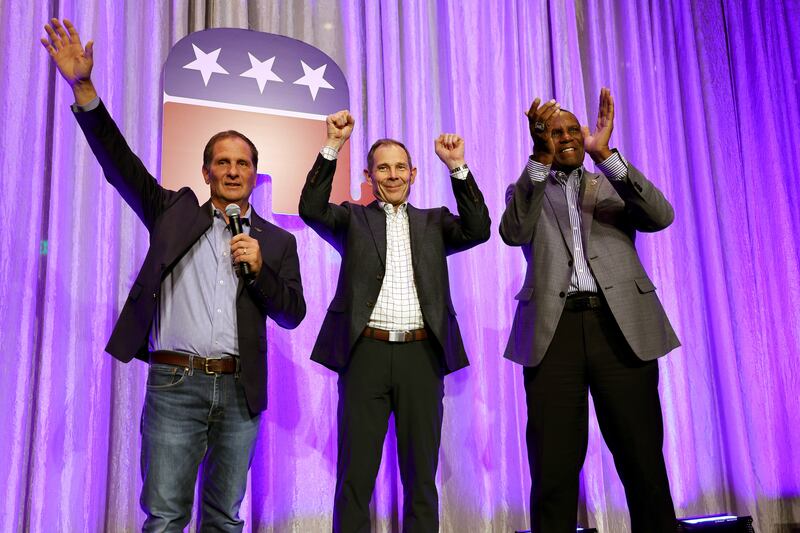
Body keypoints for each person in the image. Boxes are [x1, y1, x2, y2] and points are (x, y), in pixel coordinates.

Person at [41, 18, 306, 532]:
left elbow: (292, 313)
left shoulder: (277, 241)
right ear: (205, 171)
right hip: (174, 382)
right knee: (165, 518)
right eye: (222, 162)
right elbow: (119, 164)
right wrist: (85, 89)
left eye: (243, 163)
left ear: (255, 172)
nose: (233, 171)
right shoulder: (173, 211)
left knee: (224, 519)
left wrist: (258, 270)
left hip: (240, 390)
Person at [299, 110, 491, 532]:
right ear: (369, 176)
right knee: (355, 476)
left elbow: (479, 229)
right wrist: (333, 145)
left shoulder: (434, 222)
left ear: (414, 173)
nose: (392, 175)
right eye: (382, 168)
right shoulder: (353, 219)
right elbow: (311, 209)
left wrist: (457, 166)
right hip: (365, 353)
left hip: (422, 357)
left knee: (421, 478)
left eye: (400, 167)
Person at [500, 88, 680, 533]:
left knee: (642, 459)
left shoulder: (611, 182)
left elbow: (661, 216)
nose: (565, 137)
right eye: (553, 132)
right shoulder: (529, 187)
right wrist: (538, 159)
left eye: (572, 130)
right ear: (542, 139)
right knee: (554, 467)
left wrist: (608, 156)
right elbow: (512, 231)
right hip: (553, 332)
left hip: (619, 327)